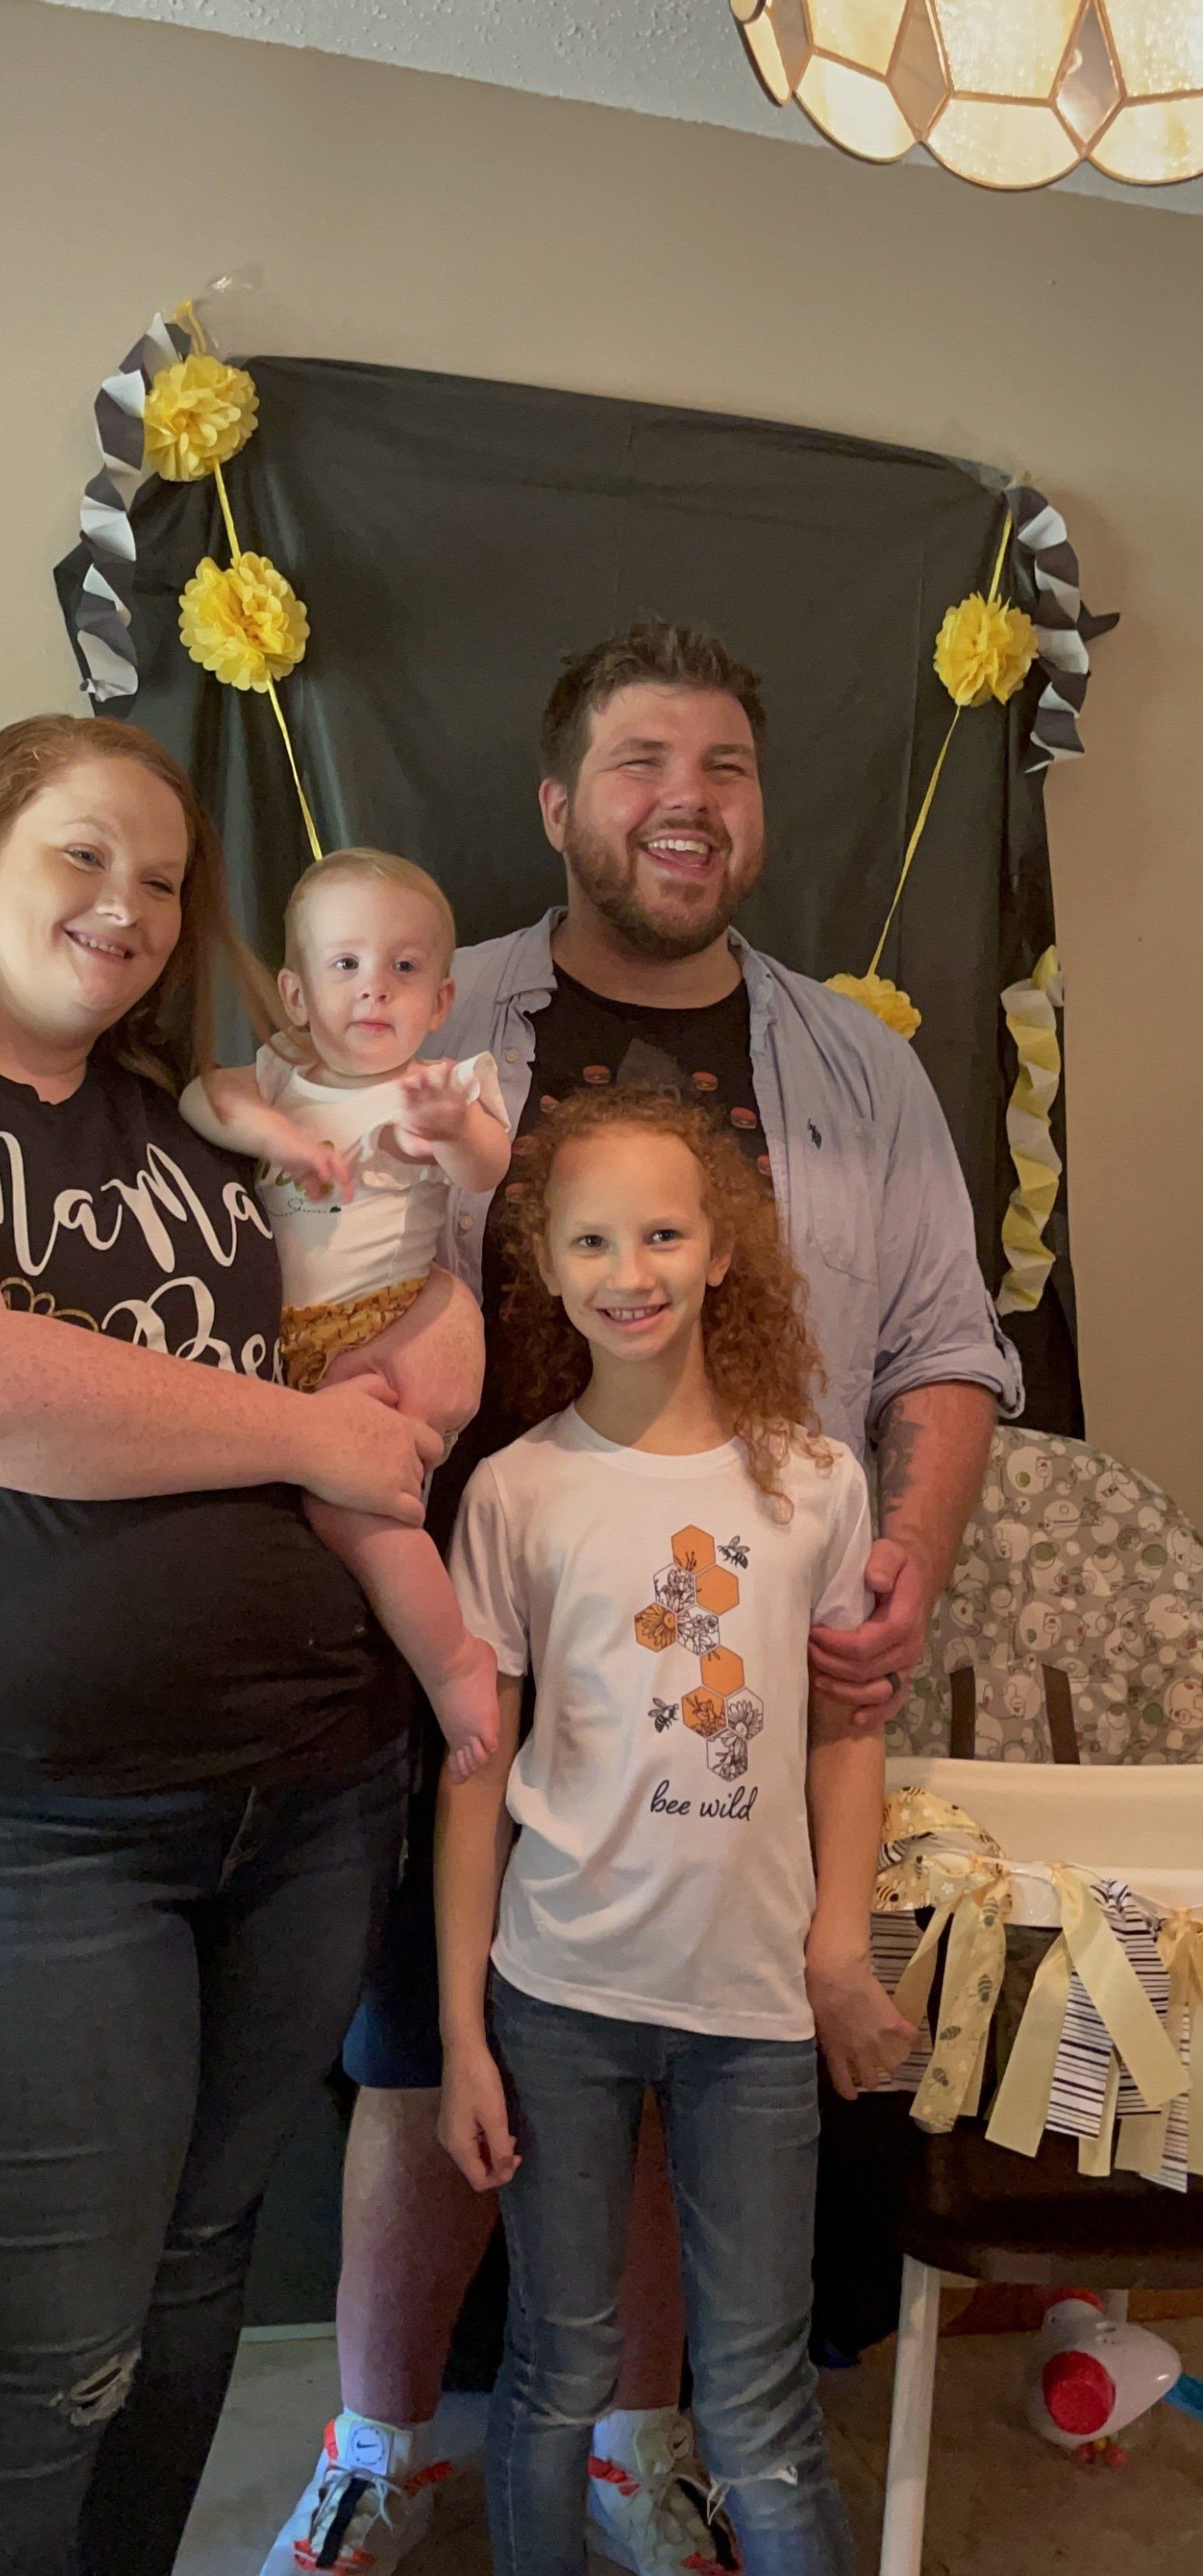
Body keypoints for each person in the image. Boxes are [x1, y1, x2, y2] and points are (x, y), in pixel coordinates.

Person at [266, 621, 1021, 2576]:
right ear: (557, 802)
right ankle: (375, 2447)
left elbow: (948, 1343)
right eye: (640, 762)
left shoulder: (855, 1065)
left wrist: (904, 1558)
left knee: (687, 2046)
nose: (686, 801)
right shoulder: (423, 1008)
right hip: (446, 1627)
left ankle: (639, 2442)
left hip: (724, 1652)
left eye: (724, 768)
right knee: (420, 2045)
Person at [0, 714, 446, 2576]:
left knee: (193, 2291)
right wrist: (306, 1435)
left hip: (305, 1797)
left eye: (166, 878)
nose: (129, 904)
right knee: (28, 2370)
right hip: (2, 1826)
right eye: (82, 853)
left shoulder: (190, 1114)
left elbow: (369, 1318)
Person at [438, 1088, 917, 2576]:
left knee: (760, 2404)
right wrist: (460, 2032)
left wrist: (839, 1946)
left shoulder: (815, 1482)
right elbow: (475, 1772)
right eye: (591, 1239)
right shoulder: (516, 1492)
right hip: (558, 1993)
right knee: (556, 2370)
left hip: (754, 2007)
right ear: (545, 1262)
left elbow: (846, 1729)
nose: (628, 1269)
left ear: (721, 1251)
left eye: (661, 1232)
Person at [181, 848, 511, 1780]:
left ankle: (453, 1662)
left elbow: (488, 1164)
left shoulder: (439, 1086)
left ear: (440, 1000)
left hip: (381, 1327)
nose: (375, 988)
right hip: (275, 1345)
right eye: (346, 964)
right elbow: (202, 1094)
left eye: (404, 968)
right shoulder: (279, 1076)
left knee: (357, 1511)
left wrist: (448, 1129)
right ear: (295, 993)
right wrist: (277, 1135)